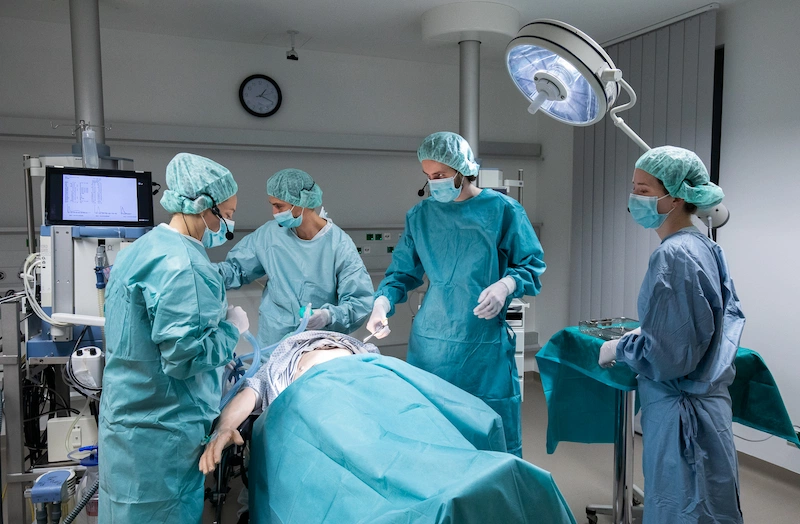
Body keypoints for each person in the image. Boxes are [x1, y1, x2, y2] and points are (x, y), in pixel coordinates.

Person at [199, 331, 577, 524]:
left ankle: (461, 480)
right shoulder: (277, 360)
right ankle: (439, 499)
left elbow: (401, 385)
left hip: (376, 382)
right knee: (355, 448)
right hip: (313, 397)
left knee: (419, 431)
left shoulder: (361, 348)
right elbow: (247, 396)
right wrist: (225, 429)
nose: (311, 337)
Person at [366, 132, 546, 457]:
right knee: (434, 438)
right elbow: (402, 274)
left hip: (483, 347)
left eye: (440, 175)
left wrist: (506, 285)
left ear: (462, 170)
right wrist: (382, 303)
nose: (433, 183)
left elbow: (531, 264)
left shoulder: (503, 210)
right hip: (431, 344)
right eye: (428, 177)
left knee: (490, 443)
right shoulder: (421, 216)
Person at [598, 146, 746, 523]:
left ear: (676, 197)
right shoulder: (704, 246)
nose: (634, 198)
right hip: (702, 413)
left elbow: (668, 355)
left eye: (644, 190)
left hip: (683, 420)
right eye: (634, 188)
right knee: (708, 506)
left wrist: (623, 345)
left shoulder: (676, 255)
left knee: (683, 508)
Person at [99, 153, 249, 523]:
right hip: (162, 433)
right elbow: (184, 359)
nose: (228, 222)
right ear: (203, 208)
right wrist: (232, 329)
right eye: (226, 214)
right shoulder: (185, 266)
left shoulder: (141, 250)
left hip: (128, 422)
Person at [215, 168, 373, 349]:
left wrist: (327, 316)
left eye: (279, 206)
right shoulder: (270, 234)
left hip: (319, 347)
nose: (274, 213)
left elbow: (359, 302)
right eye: (272, 205)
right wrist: (203, 274)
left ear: (302, 203)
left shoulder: (339, 245)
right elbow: (235, 269)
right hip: (274, 345)